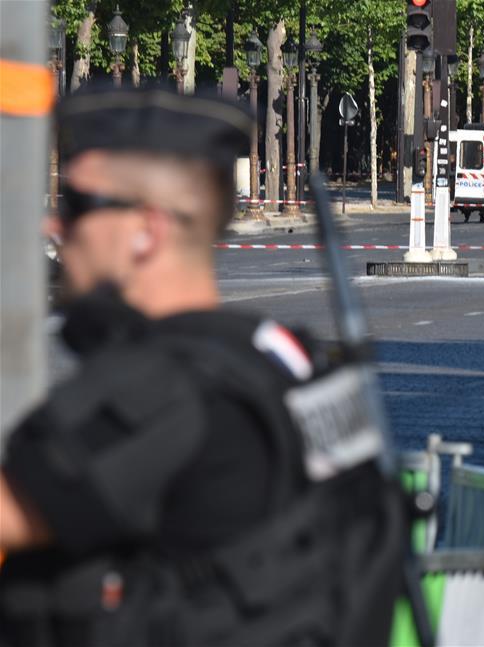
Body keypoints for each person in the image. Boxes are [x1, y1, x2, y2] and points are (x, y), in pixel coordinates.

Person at [0, 85, 406, 646]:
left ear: (149, 230)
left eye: (75, 206)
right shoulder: (289, 363)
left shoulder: (162, 387)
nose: (54, 226)